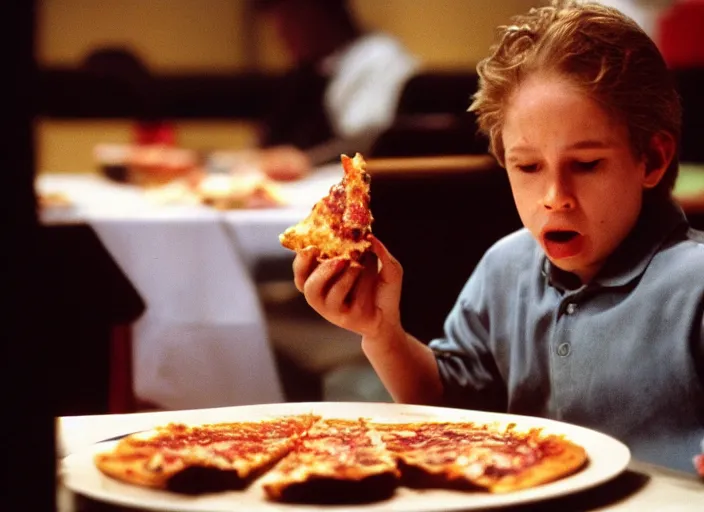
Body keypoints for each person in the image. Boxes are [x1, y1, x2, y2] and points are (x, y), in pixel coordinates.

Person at [291, 0, 704, 473]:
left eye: (586, 165)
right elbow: (446, 403)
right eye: (527, 166)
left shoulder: (695, 283)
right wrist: (382, 332)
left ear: (651, 160)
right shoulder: (505, 268)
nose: (554, 197)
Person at [250, 0, 419, 180]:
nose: (279, 32)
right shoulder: (307, 72)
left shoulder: (377, 58)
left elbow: (367, 140)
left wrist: (308, 160)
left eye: (288, 18)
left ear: (320, 11)